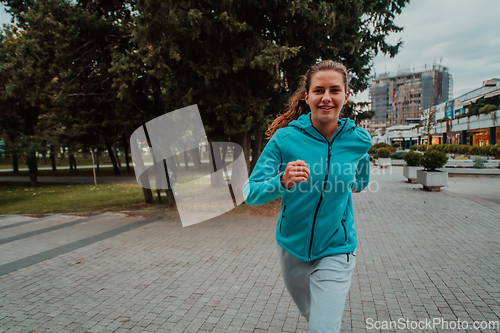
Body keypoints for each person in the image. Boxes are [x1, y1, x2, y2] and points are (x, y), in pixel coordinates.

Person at [243, 59, 371, 332]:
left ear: (345, 96)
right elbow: (251, 193)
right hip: (292, 248)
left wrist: (351, 183)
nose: (327, 97)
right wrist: (283, 181)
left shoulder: (359, 140)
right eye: (319, 90)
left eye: (334, 90)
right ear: (307, 96)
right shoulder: (285, 139)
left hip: (337, 248)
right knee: (316, 316)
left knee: (324, 327)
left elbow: (360, 181)